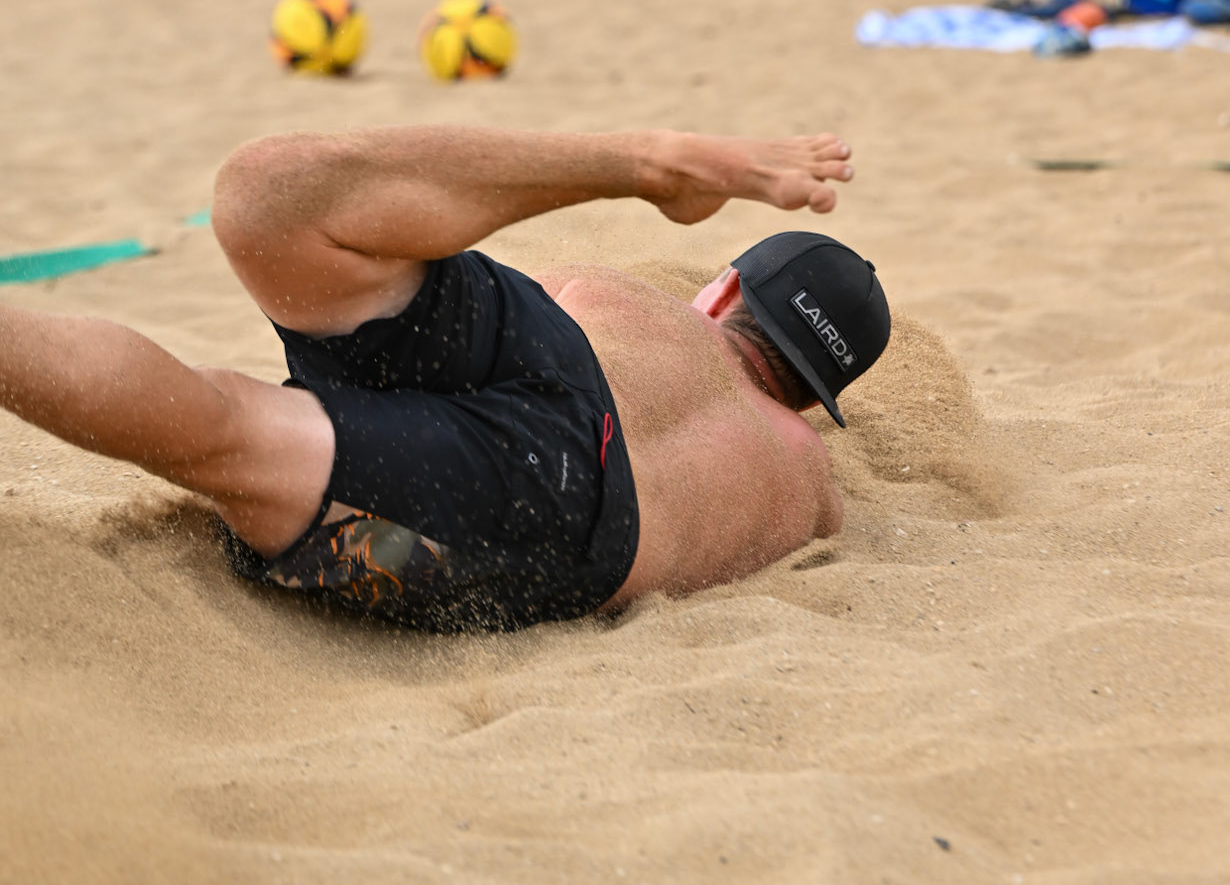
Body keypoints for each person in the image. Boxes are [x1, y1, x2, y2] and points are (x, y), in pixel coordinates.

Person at [0, 124, 888, 633]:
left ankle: (636, 163)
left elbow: (468, 285)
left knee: (270, 200)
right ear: (819, 398)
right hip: (576, 517)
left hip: (560, 355)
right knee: (236, 430)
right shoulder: (803, 481)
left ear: (723, 288)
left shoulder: (634, 304)